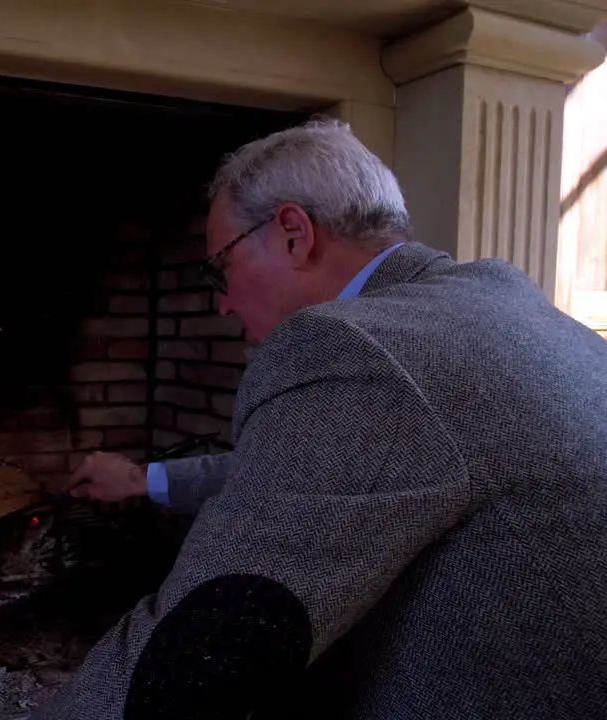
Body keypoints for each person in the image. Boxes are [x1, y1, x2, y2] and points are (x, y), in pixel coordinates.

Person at [31, 118, 607, 719]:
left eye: (220, 269)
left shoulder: (352, 343)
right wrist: (145, 479)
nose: (222, 302)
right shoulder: (499, 306)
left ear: (291, 234)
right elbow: (327, 475)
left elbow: (197, 653)